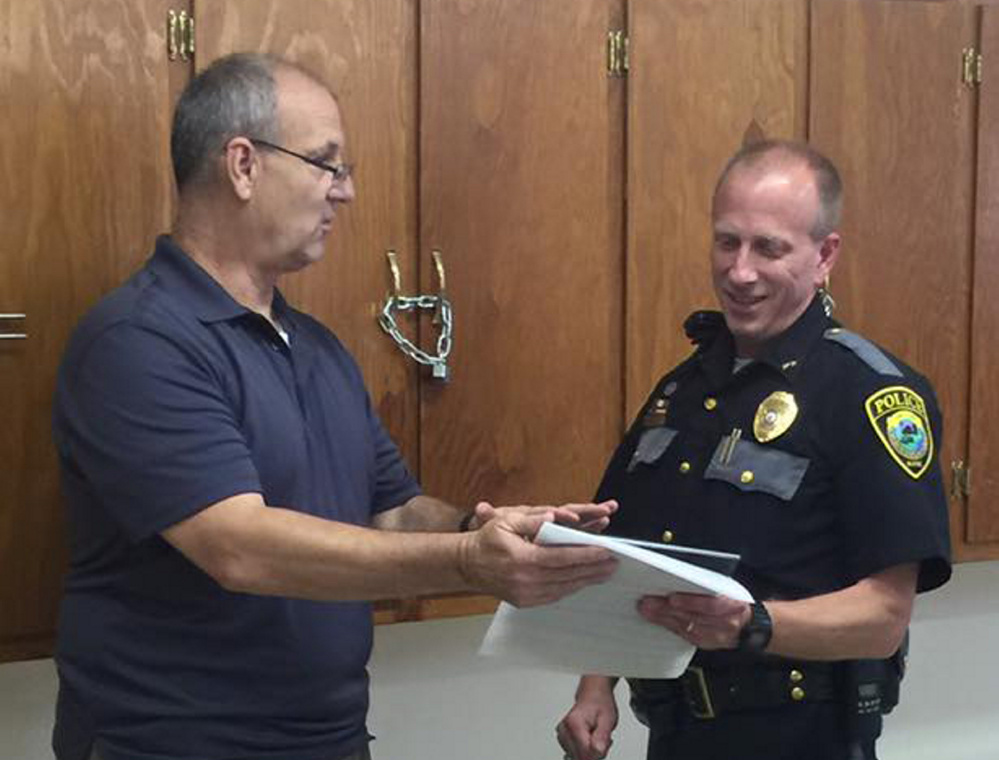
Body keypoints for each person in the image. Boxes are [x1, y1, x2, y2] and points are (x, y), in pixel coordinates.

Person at [51, 53, 619, 760]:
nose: (344, 192)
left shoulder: (315, 347)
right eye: (327, 163)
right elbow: (237, 547)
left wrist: (489, 525)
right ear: (242, 165)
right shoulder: (138, 341)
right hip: (173, 744)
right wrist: (468, 561)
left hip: (327, 740)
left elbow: (390, 507)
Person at [556, 140, 951, 760]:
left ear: (824, 256)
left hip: (804, 739)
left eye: (769, 248)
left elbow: (884, 616)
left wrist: (750, 624)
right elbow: (626, 552)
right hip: (677, 734)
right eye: (726, 242)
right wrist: (595, 685)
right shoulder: (683, 391)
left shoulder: (870, 393)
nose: (740, 272)